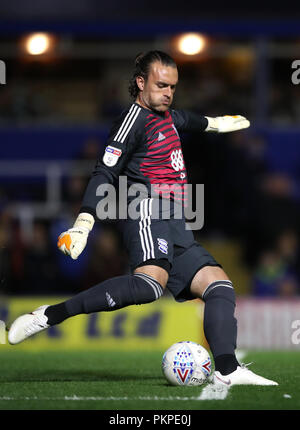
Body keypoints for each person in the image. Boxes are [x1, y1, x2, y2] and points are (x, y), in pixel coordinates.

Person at [8, 51, 277, 387]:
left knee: (219, 285)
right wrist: (84, 223)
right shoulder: (131, 120)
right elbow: (103, 171)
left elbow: (186, 119)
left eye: (173, 87)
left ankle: (227, 369)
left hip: (176, 219)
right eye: (162, 85)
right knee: (150, 286)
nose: (168, 92)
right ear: (140, 82)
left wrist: (215, 123)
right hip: (147, 210)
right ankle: (50, 315)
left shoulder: (166, 114)